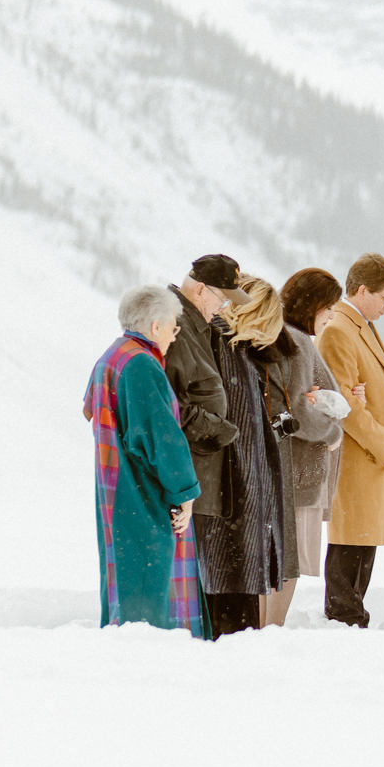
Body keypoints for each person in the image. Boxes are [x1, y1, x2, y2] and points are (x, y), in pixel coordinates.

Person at [83, 285, 202, 629]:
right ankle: (151, 659)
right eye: (173, 328)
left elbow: (91, 409)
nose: (174, 337)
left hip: (114, 486)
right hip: (140, 491)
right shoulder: (141, 365)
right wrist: (185, 492)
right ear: (155, 327)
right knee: (151, 583)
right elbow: (162, 439)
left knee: (124, 574)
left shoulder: (112, 356)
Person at [316, 252, 384, 627]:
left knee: (363, 536)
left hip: (368, 455)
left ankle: (352, 612)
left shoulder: (362, 324)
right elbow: (345, 404)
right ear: (361, 290)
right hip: (359, 454)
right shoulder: (340, 329)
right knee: (351, 536)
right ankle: (345, 614)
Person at [162, 252, 249, 637]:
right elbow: (169, 405)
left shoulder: (200, 324)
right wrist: (220, 429)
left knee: (195, 573)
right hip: (186, 472)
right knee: (181, 575)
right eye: (223, 297)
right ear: (200, 289)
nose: (226, 306)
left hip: (199, 472)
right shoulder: (177, 327)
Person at [195, 275, 288, 635]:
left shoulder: (236, 351)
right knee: (230, 601)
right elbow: (231, 425)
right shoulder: (225, 348)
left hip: (239, 494)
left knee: (233, 585)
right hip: (232, 494)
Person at [261, 269, 352, 627]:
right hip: (300, 470)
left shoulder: (283, 335)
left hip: (287, 468)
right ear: (312, 305)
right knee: (289, 562)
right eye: (328, 307)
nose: (331, 316)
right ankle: (271, 629)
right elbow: (295, 406)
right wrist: (330, 432)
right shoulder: (296, 340)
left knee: (280, 560)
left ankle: (266, 629)